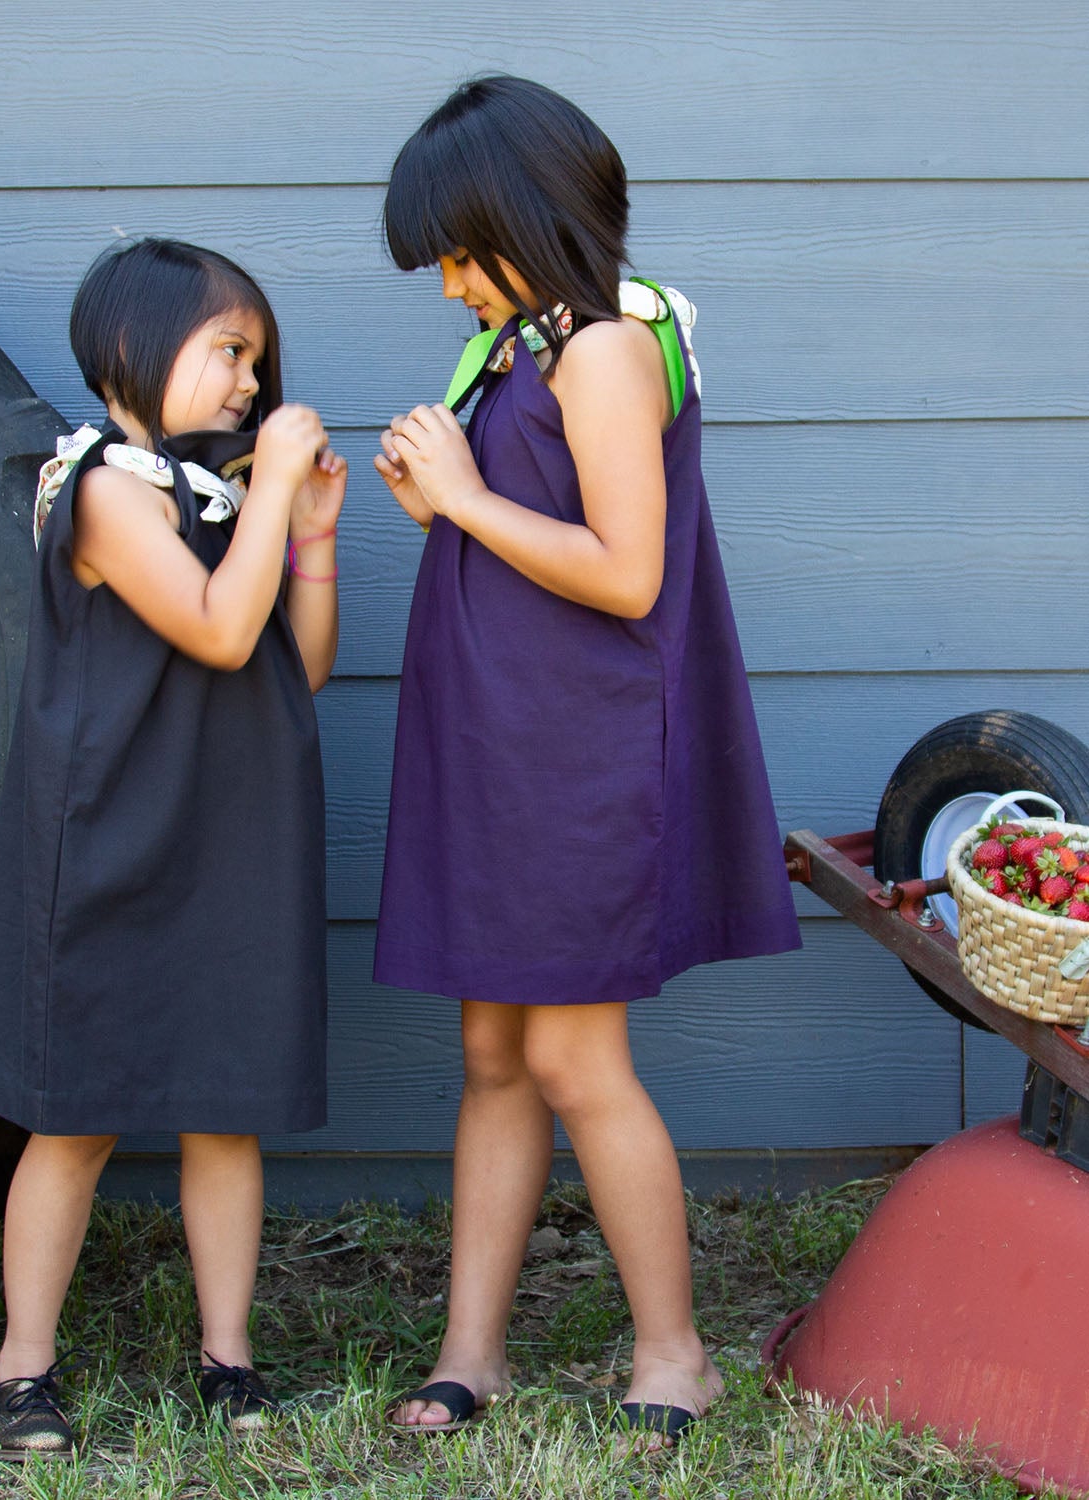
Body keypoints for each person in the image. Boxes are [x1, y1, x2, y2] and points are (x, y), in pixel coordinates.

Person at [371, 76, 800, 1448]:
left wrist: (465, 499)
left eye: (455, 254)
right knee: (494, 1047)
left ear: (528, 221)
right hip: (500, 751)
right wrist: (443, 493)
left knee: (573, 1060)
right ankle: (470, 1353)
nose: (445, 287)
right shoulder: (524, 346)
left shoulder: (606, 348)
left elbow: (626, 575)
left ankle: (676, 1355)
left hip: (571, 760)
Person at [0, 237, 346, 1458]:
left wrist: (314, 534)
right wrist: (275, 485)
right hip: (116, 835)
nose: (247, 382)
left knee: (223, 1110)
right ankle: (24, 1368)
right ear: (134, 339)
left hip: (231, 837)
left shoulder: (229, 491)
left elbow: (296, 665)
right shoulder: (106, 490)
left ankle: (229, 1358)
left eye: (258, 361)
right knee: (76, 1117)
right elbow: (222, 634)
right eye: (228, 350)